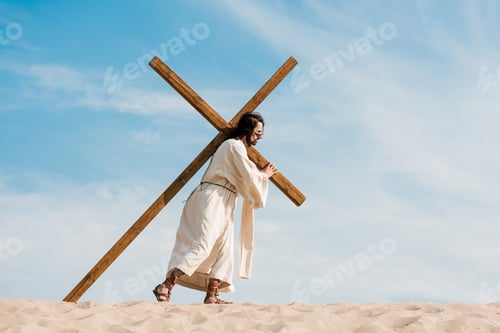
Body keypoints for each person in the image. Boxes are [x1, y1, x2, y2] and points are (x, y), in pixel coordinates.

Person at [153, 112, 278, 304]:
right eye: (258, 133)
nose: (259, 138)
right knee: (203, 244)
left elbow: (244, 175)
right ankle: (166, 285)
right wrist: (263, 175)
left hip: (226, 201)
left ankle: (212, 295)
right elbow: (248, 175)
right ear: (247, 130)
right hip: (212, 198)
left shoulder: (239, 150)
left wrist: (259, 175)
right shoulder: (232, 146)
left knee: (225, 249)